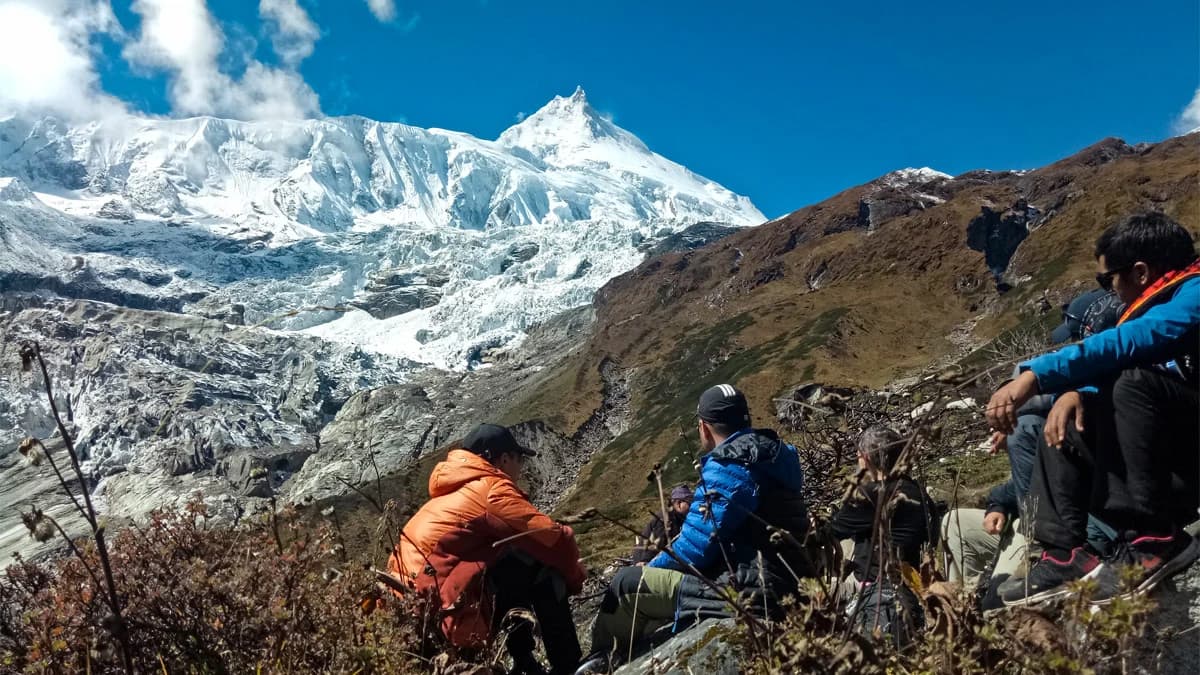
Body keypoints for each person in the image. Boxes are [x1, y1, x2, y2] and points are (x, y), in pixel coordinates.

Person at [985, 212, 1200, 607]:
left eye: (1108, 279)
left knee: (1131, 381)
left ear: (1139, 271)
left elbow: (1136, 341)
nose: (1110, 290)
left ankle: (1154, 538)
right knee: (1064, 415)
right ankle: (1064, 553)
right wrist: (1076, 393)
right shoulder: (1154, 301)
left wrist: (1037, 376)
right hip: (1174, 449)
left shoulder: (1194, 293)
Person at [582, 384, 807, 669]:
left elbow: (694, 548)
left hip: (751, 589)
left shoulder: (729, 464)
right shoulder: (776, 454)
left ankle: (603, 662)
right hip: (787, 579)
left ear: (704, 427)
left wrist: (650, 568)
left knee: (625, 584)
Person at [943, 290, 1123, 594]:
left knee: (997, 604)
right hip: (1050, 515)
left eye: (1079, 343)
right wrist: (999, 501)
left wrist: (1026, 404)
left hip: (1091, 526)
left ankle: (1048, 551)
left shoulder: (1100, 405)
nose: (1076, 353)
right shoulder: (1076, 403)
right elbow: (1037, 479)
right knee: (954, 522)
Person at [389, 423, 587, 675]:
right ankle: (569, 667)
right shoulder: (491, 489)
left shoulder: (446, 496)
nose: (521, 468)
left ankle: (525, 664)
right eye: (519, 460)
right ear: (505, 459)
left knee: (510, 561)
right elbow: (555, 540)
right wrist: (575, 577)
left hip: (409, 613)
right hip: (445, 613)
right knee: (539, 565)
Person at [832, 426, 936, 646]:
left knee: (804, 592)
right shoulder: (918, 491)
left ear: (866, 459)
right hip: (915, 582)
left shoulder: (872, 495)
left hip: (875, 583)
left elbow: (831, 530)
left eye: (859, 456)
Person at [630, 484, 692, 564]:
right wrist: (645, 561)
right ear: (678, 503)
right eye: (689, 503)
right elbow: (657, 541)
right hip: (644, 561)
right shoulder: (666, 518)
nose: (691, 507)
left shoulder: (678, 518)